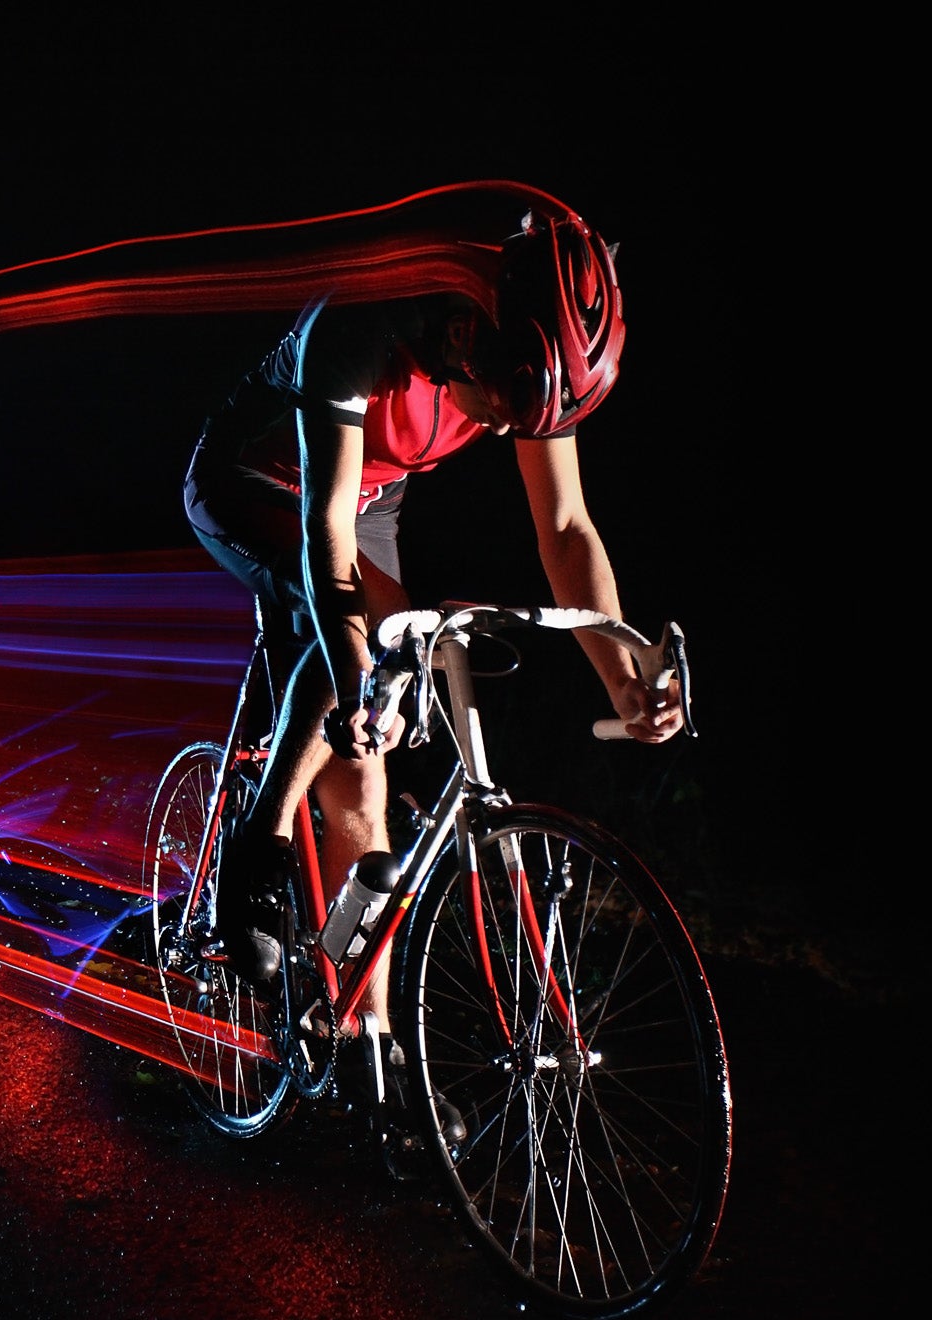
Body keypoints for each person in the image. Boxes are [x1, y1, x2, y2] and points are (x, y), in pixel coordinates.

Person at [180, 203, 684, 1075]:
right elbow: (326, 538)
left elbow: (565, 530)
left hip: (365, 495)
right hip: (256, 479)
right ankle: (253, 853)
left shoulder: (528, 365)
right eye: (497, 411)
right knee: (363, 648)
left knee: (367, 775)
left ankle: (363, 1047)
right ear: (461, 337)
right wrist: (363, 663)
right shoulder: (363, 325)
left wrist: (623, 675)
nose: (500, 430)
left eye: (524, 421)